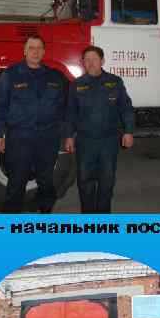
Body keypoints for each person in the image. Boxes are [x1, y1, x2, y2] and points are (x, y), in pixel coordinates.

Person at [0, 35, 66, 213]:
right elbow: (0, 105)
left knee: (46, 179)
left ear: (44, 52)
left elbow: (62, 107)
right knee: (17, 180)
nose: (35, 52)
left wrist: (62, 133)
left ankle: (45, 212)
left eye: (39, 48)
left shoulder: (55, 76)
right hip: (20, 138)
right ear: (24, 51)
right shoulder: (11, 74)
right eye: (31, 48)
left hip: (47, 138)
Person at [64, 45, 134, 213]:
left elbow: (126, 108)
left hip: (108, 141)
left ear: (102, 61)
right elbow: (70, 113)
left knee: (107, 181)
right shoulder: (76, 85)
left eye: (94, 59)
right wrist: (68, 136)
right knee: (85, 182)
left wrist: (129, 131)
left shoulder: (115, 82)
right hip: (85, 141)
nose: (90, 63)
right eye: (87, 60)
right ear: (83, 63)